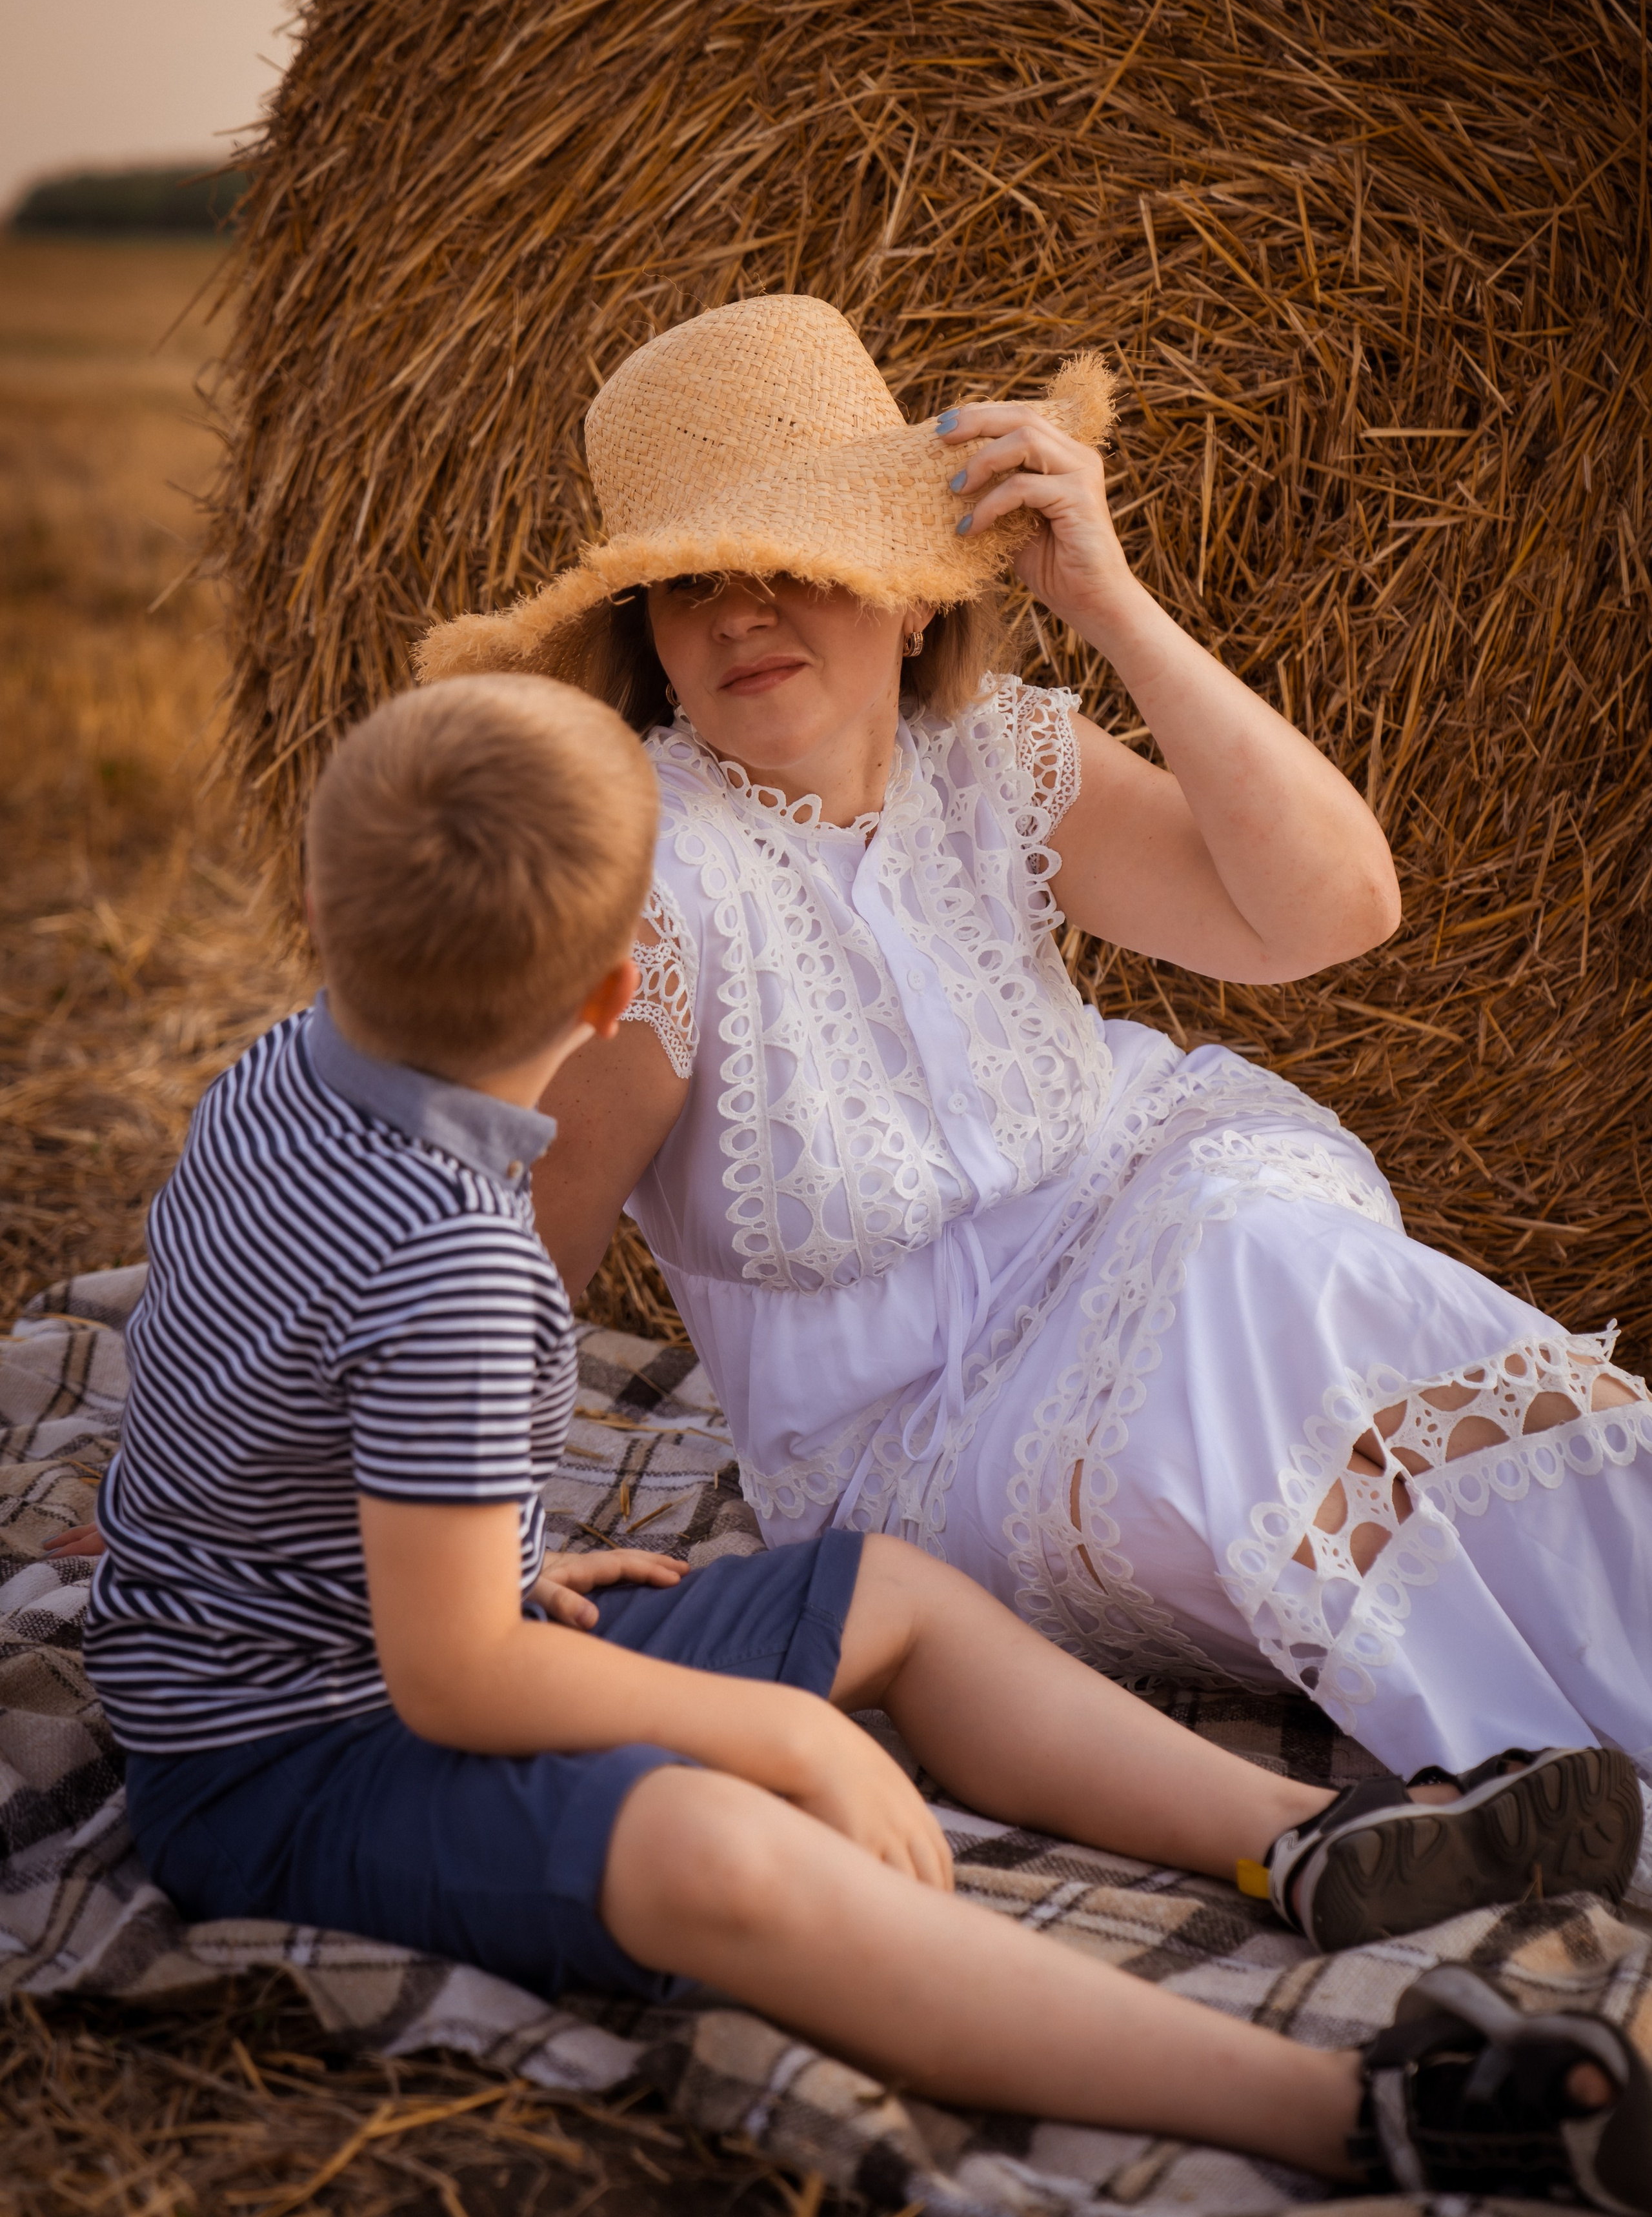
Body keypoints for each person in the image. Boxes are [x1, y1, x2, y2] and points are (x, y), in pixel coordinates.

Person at [77, 674, 1652, 2205]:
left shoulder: (278, 1073)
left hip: (395, 1617)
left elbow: (266, 1388)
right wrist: (788, 1736)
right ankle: (1357, 2109)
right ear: (620, 997)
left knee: (889, 1590)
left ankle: (1305, 1844)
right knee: (722, 1855)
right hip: (287, 1756)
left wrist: (511, 1552)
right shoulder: (463, 1264)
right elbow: (453, 1679)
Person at [419, 293, 1652, 1791]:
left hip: (1154, 1205)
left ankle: (1580, 1728)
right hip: (924, 1451)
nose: (739, 611)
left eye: (786, 563)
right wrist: (438, 1569)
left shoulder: (994, 754)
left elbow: (1333, 910)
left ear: (909, 591)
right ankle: (1550, 1760)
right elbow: (499, 1259)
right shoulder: (652, 888)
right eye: (689, 588)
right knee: (1276, 1362)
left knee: (1306, 1307)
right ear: (654, 645)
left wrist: (1113, 606)